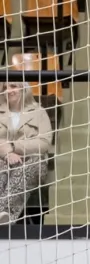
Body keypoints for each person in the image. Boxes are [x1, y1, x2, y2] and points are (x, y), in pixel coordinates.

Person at [0, 81, 53, 225]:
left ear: (24, 89)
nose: (8, 90)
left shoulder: (39, 112)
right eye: (5, 87)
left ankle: (3, 211)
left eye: (13, 86)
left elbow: (44, 142)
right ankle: (3, 216)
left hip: (32, 161)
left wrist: (13, 146)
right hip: (3, 159)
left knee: (27, 167)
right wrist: (7, 154)